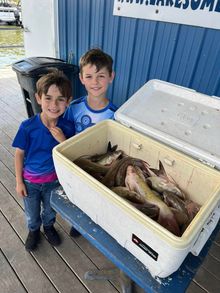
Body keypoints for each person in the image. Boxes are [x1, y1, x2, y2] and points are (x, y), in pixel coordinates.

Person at [12, 69, 75, 251]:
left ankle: (48, 227)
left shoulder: (68, 127)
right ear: (38, 98)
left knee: (50, 210)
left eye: (60, 99)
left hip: (54, 181)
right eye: (48, 98)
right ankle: (33, 231)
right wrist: (18, 181)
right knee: (32, 213)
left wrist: (63, 140)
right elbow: (19, 154)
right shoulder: (28, 127)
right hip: (30, 182)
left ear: (68, 102)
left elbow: (70, 154)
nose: (54, 104)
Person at [64, 48, 117, 236]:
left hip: (100, 165)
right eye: (89, 76)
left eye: (101, 76)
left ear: (111, 76)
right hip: (75, 162)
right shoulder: (74, 107)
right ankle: (77, 220)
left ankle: (92, 218)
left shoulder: (114, 115)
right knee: (75, 192)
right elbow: (65, 133)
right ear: (81, 78)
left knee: (95, 196)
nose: (95, 82)